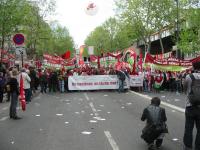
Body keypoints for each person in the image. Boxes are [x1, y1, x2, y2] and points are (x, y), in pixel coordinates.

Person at [183, 61, 200, 150]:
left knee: (188, 128)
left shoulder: (189, 76)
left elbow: (185, 89)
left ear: (193, 67)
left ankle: (188, 146)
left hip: (190, 105)